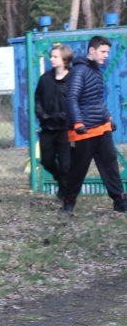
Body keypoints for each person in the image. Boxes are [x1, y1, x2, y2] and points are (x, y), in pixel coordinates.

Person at [64, 35, 124, 214]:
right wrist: (78, 122)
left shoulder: (96, 71)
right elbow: (72, 98)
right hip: (84, 131)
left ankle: (120, 202)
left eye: (108, 52)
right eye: (103, 51)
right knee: (78, 170)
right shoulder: (79, 71)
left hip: (102, 128)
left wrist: (108, 118)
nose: (106, 55)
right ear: (92, 50)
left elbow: (97, 100)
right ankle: (68, 203)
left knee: (110, 165)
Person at [34, 43, 73, 212]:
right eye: (51, 56)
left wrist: (62, 116)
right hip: (47, 128)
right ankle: (62, 182)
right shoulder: (45, 79)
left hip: (65, 129)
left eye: (55, 56)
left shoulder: (72, 79)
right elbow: (37, 98)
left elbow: (75, 102)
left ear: (65, 59)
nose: (51, 59)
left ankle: (66, 191)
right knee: (47, 161)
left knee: (65, 165)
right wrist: (41, 114)